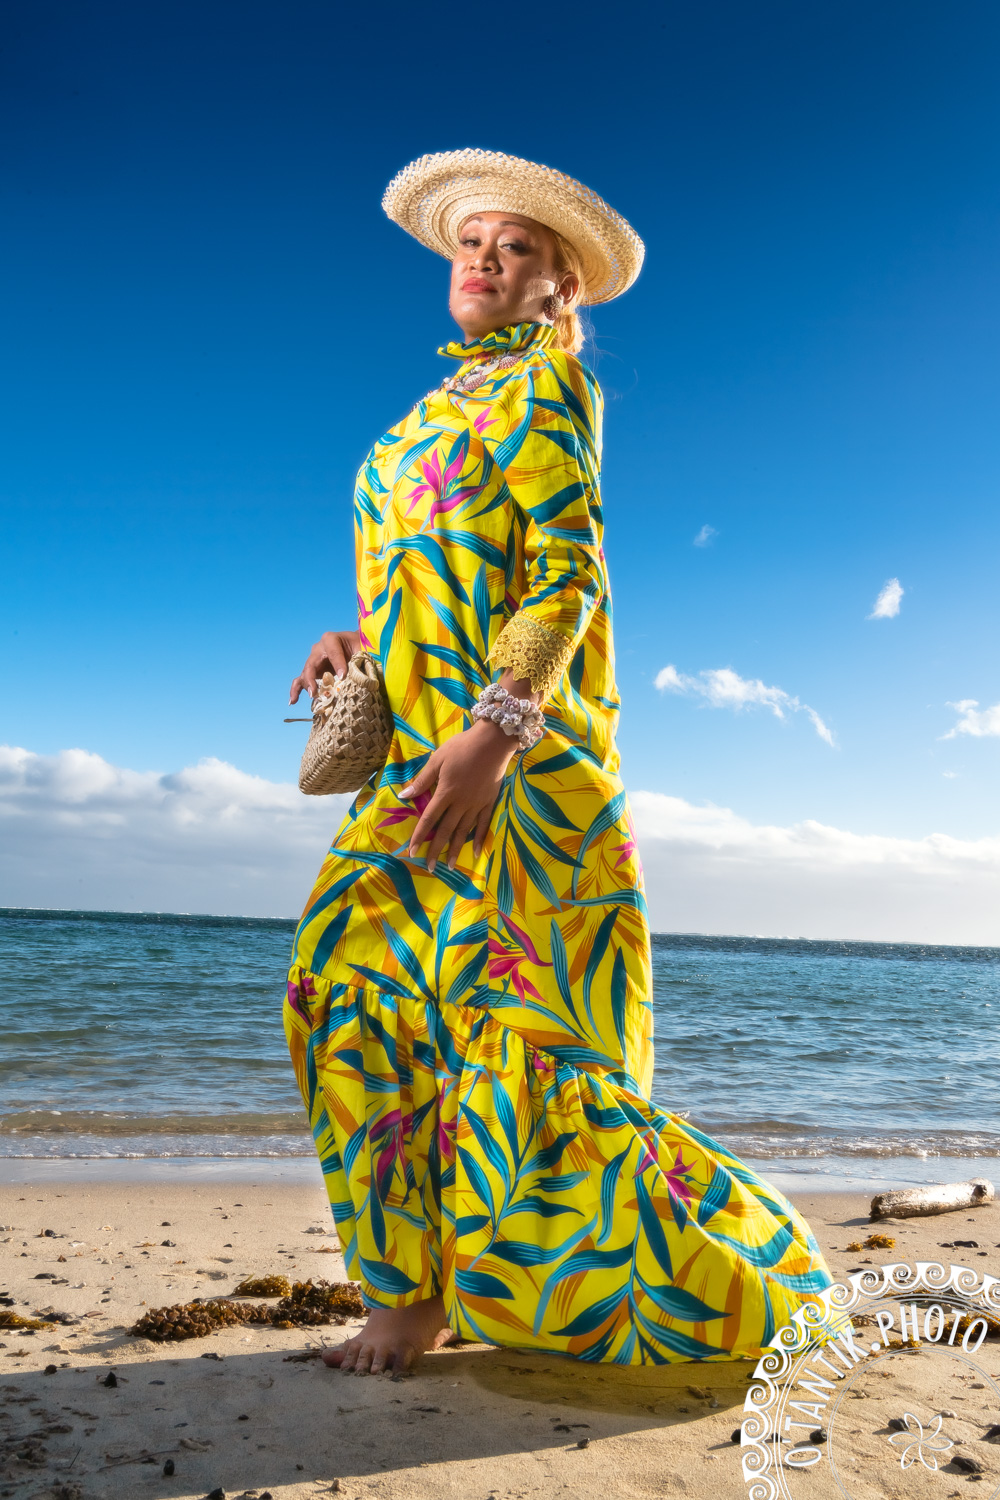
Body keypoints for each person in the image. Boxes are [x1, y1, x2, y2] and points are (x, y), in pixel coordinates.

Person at [284, 149, 835, 1375]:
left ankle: (539, 1297)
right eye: (469, 243)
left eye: (515, 246)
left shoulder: (546, 385)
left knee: (515, 1030)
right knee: (345, 995)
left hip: (514, 765)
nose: (483, 260)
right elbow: (433, 577)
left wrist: (495, 733)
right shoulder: (424, 417)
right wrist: (355, 637)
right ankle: (412, 1288)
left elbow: (564, 574)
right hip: (416, 758)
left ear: (559, 286)